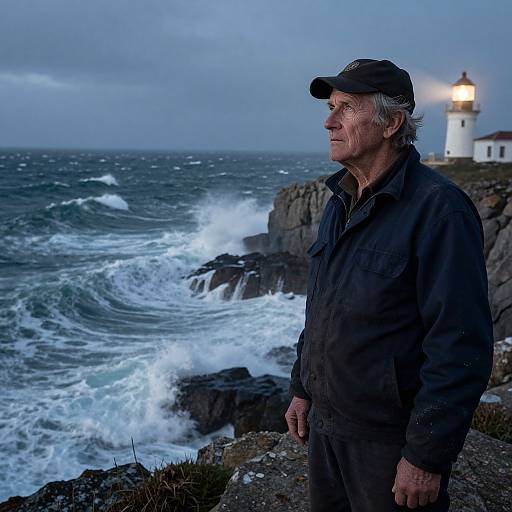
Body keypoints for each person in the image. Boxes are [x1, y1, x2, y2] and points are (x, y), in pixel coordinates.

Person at [285, 59, 494, 511]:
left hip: (387, 442)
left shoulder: (440, 211)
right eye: (331, 106)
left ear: (391, 123)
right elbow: (322, 306)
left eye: (347, 107)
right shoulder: (340, 200)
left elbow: (460, 345)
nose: (329, 120)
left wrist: (425, 457)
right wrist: (302, 387)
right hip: (328, 430)